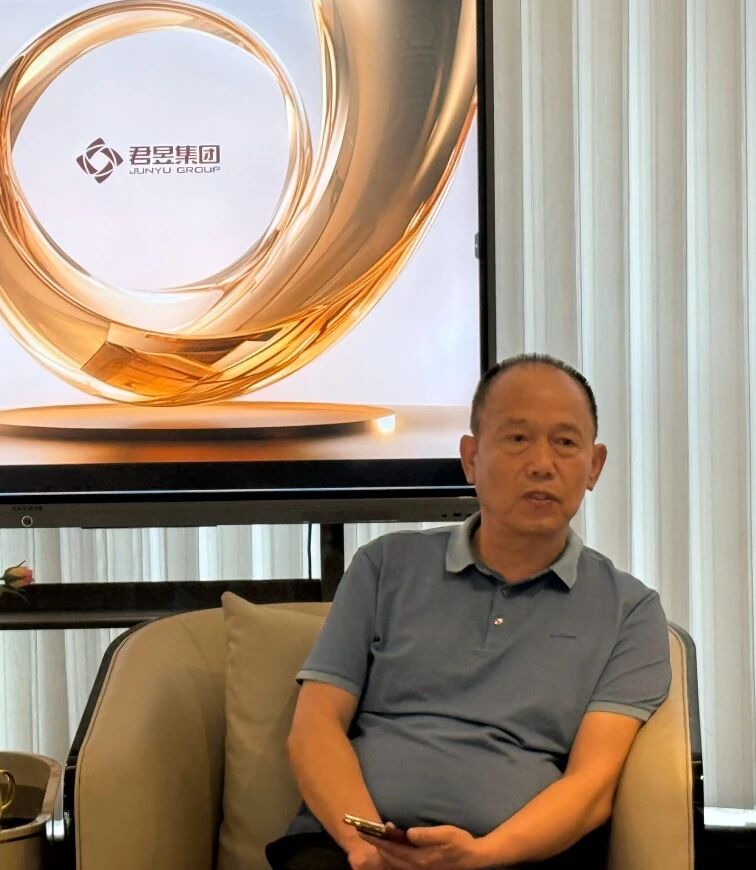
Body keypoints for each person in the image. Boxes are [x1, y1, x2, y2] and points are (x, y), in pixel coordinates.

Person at [267, 353, 671, 870]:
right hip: (351, 849)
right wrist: (366, 847)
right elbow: (315, 727)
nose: (541, 463)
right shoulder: (384, 565)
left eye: (566, 443)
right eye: (517, 438)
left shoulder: (630, 610)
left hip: (518, 857)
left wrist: (481, 856)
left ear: (594, 466)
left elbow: (592, 785)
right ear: (471, 458)